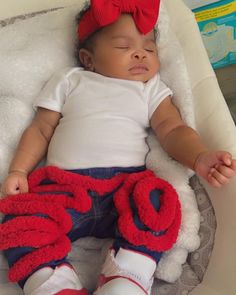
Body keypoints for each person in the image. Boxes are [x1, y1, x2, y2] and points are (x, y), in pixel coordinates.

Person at [0, 0, 236, 295]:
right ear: (88, 59)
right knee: (20, 222)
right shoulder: (70, 80)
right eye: (124, 47)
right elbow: (41, 128)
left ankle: (128, 274)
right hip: (66, 188)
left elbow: (173, 129)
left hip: (124, 187)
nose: (140, 53)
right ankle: (52, 283)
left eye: (149, 48)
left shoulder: (151, 88)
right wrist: (19, 169)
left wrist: (199, 156)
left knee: (159, 203)